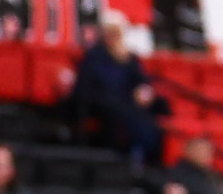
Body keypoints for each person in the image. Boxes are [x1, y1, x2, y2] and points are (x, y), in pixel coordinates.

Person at [71, 11, 168, 167]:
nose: (113, 36)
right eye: (110, 32)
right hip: (102, 102)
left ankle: (148, 162)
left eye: (116, 32)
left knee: (154, 115)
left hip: (127, 102)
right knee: (122, 114)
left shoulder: (129, 58)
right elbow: (86, 86)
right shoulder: (94, 56)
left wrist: (144, 91)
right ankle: (125, 160)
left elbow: (141, 81)